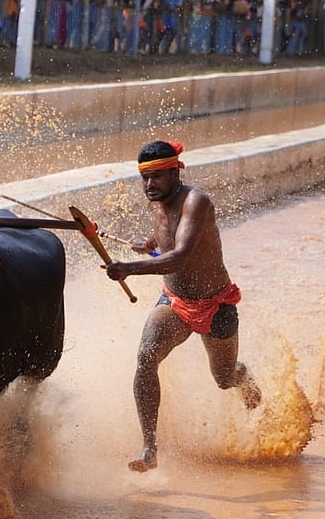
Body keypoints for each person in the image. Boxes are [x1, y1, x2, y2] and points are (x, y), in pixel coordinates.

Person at [103, 139, 262, 473]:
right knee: (146, 357)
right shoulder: (154, 199)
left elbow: (179, 256)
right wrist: (146, 244)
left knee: (224, 378)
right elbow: (164, 237)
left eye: (158, 177)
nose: (150, 185)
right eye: (145, 178)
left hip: (215, 305)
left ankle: (242, 377)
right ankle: (149, 447)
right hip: (174, 302)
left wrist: (129, 269)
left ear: (176, 172)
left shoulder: (196, 201)